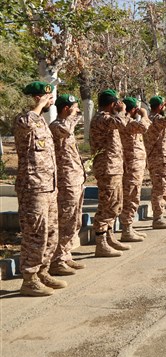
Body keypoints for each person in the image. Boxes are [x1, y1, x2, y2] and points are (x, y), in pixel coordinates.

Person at [15, 81, 61, 296]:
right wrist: (39, 105)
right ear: (37, 98)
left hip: (48, 186)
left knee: (51, 231)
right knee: (35, 232)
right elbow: (26, 121)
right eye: (49, 97)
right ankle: (29, 279)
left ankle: (43, 271)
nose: (52, 101)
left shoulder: (41, 122)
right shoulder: (25, 119)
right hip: (33, 187)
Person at [49, 93, 88, 275]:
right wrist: (74, 116)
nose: (77, 111)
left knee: (75, 219)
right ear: (66, 109)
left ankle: (65, 254)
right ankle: (57, 260)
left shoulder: (66, 125)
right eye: (74, 108)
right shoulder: (57, 126)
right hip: (66, 181)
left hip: (75, 179)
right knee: (65, 220)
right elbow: (67, 130)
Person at [90, 89, 132, 257]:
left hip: (114, 167)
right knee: (107, 204)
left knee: (116, 203)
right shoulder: (102, 118)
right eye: (116, 103)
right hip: (106, 168)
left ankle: (109, 236)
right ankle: (100, 243)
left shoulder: (108, 118)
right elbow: (122, 124)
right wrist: (121, 111)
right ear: (112, 104)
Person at [143, 96, 166, 229]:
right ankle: (157, 218)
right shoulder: (156, 119)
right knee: (161, 187)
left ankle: (160, 216)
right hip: (159, 158)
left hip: (159, 158)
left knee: (162, 187)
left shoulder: (153, 118)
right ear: (160, 106)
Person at [119, 96, 151, 242]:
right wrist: (144, 115)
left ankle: (129, 227)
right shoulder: (127, 122)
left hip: (135, 165)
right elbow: (144, 127)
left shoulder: (129, 122)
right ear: (133, 110)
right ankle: (126, 229)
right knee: (131, 195)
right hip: (130, 165)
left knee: (133, 195)